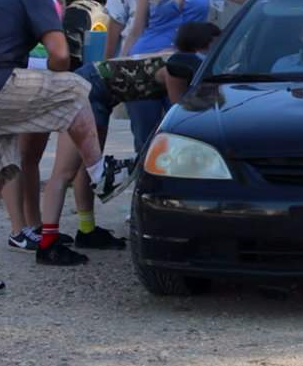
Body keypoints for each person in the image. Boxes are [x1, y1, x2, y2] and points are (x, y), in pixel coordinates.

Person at [106, 0, 294, 152]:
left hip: (190, 64)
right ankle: (149, 187)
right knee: (146, 137)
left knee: (188, 131)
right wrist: (118, 66)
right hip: (149, 62)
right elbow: (136, 28)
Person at [0, 0, 129, 267]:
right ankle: (101, 172)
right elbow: (59, 54)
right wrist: (55, 90)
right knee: (75, 87)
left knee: (3, 171)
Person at [42, 22, 220, 254]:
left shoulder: (179, 58)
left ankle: (86, 230)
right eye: (218, 43)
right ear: (206, 45)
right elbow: (178, 111)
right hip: (86, 89)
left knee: (85, 168)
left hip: (96, 91)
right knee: (65, 170)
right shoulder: (178, 66)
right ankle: (48, 244)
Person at [0, 0, 76, 251]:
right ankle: (19, 226)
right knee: (12, 151)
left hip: (45, 69)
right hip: (20, 73)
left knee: (32, 154)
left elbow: (59, 19)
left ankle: (37, 223)